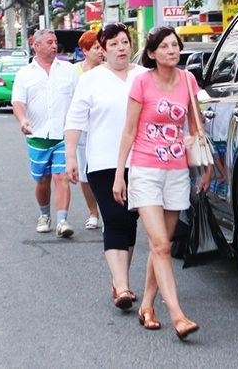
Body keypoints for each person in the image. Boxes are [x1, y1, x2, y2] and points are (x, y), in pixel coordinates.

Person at [114, 26, 211, 340]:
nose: (172, 51)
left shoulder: (188, 80)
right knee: (161, 245)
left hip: (177, 172)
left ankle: (147, 305)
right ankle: (178, 316)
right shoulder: (142, 81)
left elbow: (195, 125)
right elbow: (129, 130)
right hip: (145, 170)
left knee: (162, 246)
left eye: (175, 45)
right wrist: (119, 173)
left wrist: (206, 165)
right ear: (152, 53)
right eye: (165, 47)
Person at [65, 24, 147, 310]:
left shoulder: (143, 75)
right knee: (114, 218)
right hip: (103, 162)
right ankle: (122, 287)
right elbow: (75, 119)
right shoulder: (91, 79)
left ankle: (120, 280)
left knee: (130, 220)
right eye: (113, 44)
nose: (121, 48)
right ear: (103, 49)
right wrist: (71, 156)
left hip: (141, 160)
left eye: (124, 42)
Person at [12, 29, 79, 237]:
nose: (54, 46)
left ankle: (62, 221)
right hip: (37, 136)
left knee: (61, 176)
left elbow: (79, 100)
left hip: (63, 135)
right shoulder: (25, 74)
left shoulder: (68, 70)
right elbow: (18, 102)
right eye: (49, 42)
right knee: (42, 180)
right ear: (37, 46)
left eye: (55, 42)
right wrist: (22, 120)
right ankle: (44, 215)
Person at [72, 30, 107, 230]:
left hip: (104, 130)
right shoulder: (74, 72)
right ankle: (93, 212)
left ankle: (108, 213)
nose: (101, 51)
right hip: (83, 131)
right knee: (85, 175)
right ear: (85, 51)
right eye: (96, 48)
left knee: (106, 172)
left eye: (102, 48)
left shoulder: (109, 70)